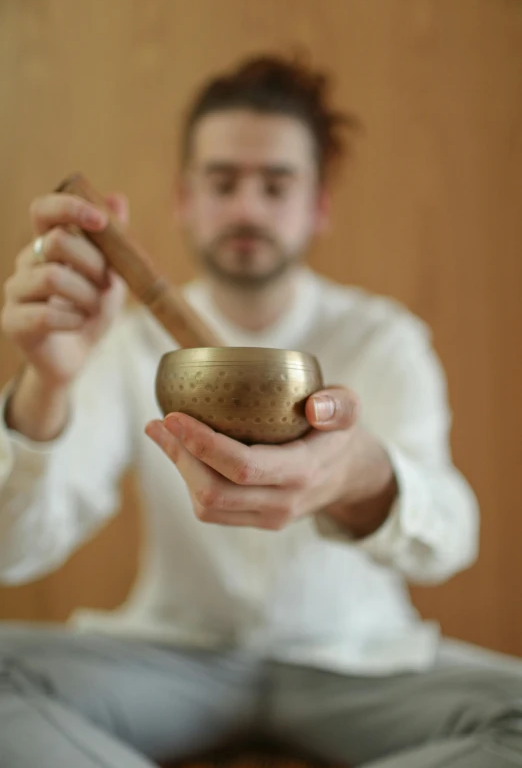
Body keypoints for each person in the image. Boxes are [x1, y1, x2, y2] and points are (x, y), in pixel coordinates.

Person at [0, 52, 521, 768]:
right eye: (223, 182)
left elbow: (452, 538)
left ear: (318, 205)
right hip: (174, 659)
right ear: (185, 198)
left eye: (276, 185)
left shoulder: (382, 337)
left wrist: (362, 475)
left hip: (356, 662)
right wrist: (46, 383)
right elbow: (16, 547)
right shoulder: (121, 343)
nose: (247, 207)